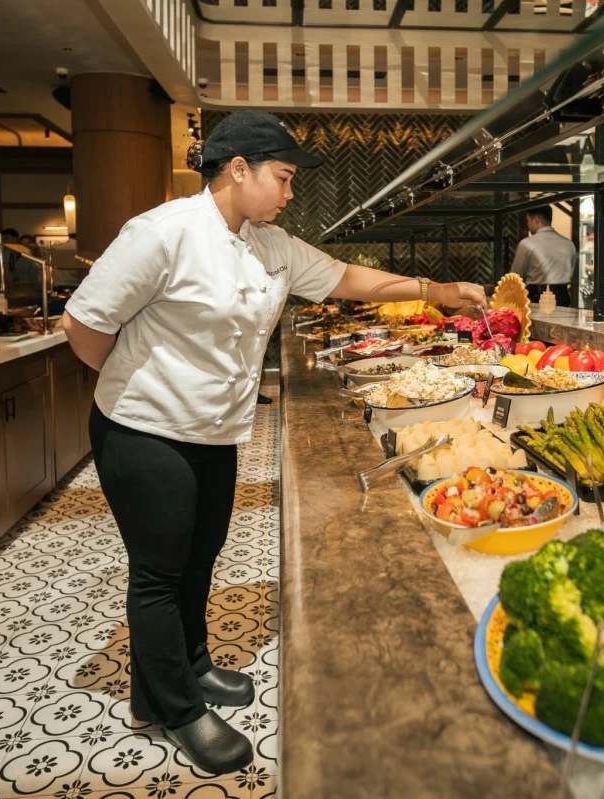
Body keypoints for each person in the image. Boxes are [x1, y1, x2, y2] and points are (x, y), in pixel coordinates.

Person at [61, 110, 486, 776]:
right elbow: (84, 322)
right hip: (144, 430)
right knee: (158, 572)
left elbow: (347, 277)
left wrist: (438, 291)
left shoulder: (272, 245)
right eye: (283, 177)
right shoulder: (162, 234)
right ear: (238, 169)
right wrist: (137, 385)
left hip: (215, 431)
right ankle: (173, 708)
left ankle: (190, 665)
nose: (291, 193)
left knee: (200, 556)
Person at [508, 205, 576, 307]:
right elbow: (572, 273)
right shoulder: (569, 244)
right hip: (563, 298)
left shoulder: (527, 244)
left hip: (537, 298)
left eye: (528, 220)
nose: (527, 225)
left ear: (535, 220)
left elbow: (515, 277)